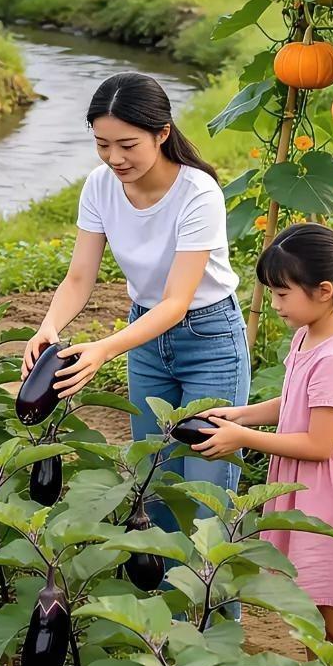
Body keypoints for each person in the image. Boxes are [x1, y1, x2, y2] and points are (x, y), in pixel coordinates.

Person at [22, 71, 250, 533]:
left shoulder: (198, 194)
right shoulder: (99, 186)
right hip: (145, 340)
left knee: (207, 497)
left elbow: (177, 302)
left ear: (162, 133)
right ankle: (163, 602)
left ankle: (215, 606)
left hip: (209, 340)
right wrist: (48, 325)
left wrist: (103, 349)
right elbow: (79, 276)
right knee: (155, 482)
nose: (114, 158)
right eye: (102, 144)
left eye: (128, 145)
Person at [195, 223, 333, 666]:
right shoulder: (310, 336)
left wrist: (243, 438)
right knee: (320, 607)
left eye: (282, 293)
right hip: (314, 491)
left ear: (324, 291)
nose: (275, 304)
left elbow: (319, 444)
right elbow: (294, 401)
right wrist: (242, 413)